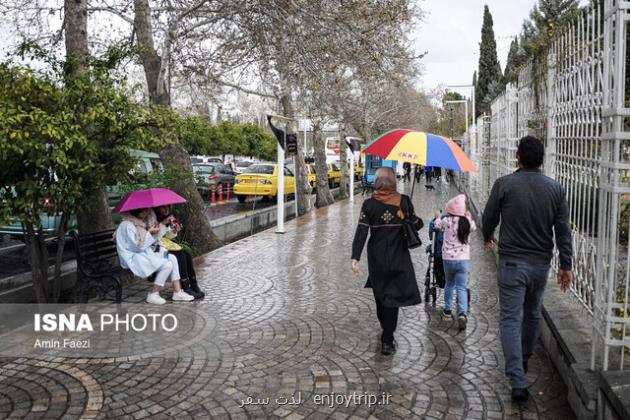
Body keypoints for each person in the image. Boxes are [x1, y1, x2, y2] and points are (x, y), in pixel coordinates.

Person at [482, 136, 573, 403]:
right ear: (542, 160)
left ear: (518, 157)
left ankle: (517, 381)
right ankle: (523, 358)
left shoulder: (504, 185)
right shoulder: (555, 189)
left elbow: (489, 217)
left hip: (511, 263)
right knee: (532, 314)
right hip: (540, 264)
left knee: (511, 319)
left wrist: (487, 235)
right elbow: (563, 231)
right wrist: (566, 265)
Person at [351, 167, 423, 355]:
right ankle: (387, 337)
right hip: (399, 257)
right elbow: (418, 225)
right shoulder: (404, 202)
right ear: (393, 182)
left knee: (381, 295)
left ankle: (387, 333)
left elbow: (362, 231)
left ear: (377, 182)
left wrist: (355, 257)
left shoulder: (369, 205)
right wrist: (406, 216)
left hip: (377, 258)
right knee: (392, 298)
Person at [114, 208, 194, 305]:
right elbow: (137, 247)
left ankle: (177, 292)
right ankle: (153, 294)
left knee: (172, 258)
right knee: (167, 265)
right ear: (136, 211)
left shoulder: (139, 223)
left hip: (143, 254)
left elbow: (152, 240)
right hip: (132, 258)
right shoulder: (127, 225)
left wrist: (162, 230)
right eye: (144, 211)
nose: (147, 212)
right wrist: (149, 233)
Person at [433, 195, 475, 330]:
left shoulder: (446, 221)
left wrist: (437, 216)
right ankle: (462, 313)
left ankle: (447, 310)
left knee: (449, 284)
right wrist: (468, 217)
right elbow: (473, 227)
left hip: (448, 259)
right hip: (463, 260)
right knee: (462, 287)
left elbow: (436, 225)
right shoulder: (467, 223)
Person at [151, 205, 205, 299]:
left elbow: (168, 236)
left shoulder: (165, 218)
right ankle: (185, 286)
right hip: (156, 249)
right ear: (157, 209)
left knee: (186, 253)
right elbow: (154, 239)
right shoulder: (153, 219)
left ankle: (193, 284)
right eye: (163, 208)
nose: (166, 210)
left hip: (165, 246)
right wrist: (163, 224)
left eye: (167, 207)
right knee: (180, 254)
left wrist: (174, 230)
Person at [428, 210, 446, 289]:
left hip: (439, 254)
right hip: (450, 255)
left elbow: (431, 236)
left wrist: (436, 219)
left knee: (438, 268)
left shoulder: (436, 224)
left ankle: (440, 282)